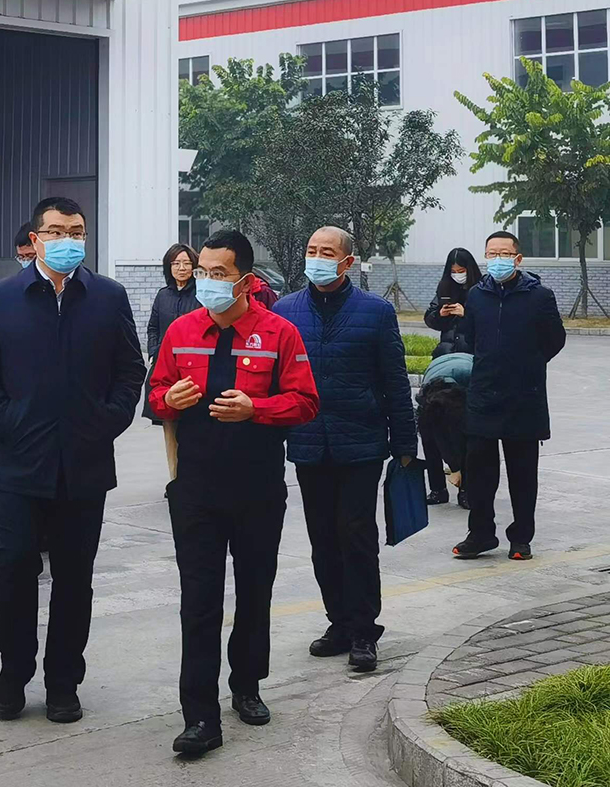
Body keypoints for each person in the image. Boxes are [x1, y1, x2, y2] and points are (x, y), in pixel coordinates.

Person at [0, 197, 145, 725]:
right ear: (36, 239)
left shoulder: (107, 296)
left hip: (85, 464)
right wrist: (9, 420)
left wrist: (106, 421)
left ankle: (64, 681)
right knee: (14, 570)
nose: (68, 240)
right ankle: (12, 674)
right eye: (57, 231)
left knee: (74, 577)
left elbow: (129, 370)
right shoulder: (1, 297)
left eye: (77, 231)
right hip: (19, 465)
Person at [148, 230, 319, 756]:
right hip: (195, 487)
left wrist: (256, 409)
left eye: (218, 274)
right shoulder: (181, 331)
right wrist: (170, 400)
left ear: (245, 281)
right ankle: (199, 716)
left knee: (254, 590)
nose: (207, 281)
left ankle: (246, 683)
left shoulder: (279, 332)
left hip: (257, 487)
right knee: (198, 600)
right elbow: (154, 396)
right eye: (202, 271)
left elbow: (306, 401)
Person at [274, 226, 416, 674]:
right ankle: (337, 621)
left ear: (347, 262)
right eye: (312, 250)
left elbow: (395, 381)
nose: (317, 258)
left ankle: (363, 630)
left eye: (327, 252)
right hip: (308, 442)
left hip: (361, 443)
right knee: (322, 539)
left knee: (356, 536)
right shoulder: (285, 311)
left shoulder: (376, 312)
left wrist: (405, 442)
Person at [452, 231, 566, 562]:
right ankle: (481, 534)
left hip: (524, 397)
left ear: (517, 258)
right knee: (479, 473)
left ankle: (521, 538)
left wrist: (527, 364)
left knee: (523, 473)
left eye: (504, 253)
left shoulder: (539, 295)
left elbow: (555, 340)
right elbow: (470, 336)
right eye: (491, 253)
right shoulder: (477, 295)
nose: (497, 259)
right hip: (484, 395)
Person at [423, 247, 482, 506]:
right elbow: (430, 319)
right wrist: (440, 314)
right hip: (443, 361)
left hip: (471, 363)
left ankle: (467, 487)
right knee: (429, 425)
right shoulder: (444, 288)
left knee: (465, 429)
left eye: (462, 270)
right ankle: (437, 488)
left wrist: (466, 314)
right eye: (453, 271)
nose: (458, 275)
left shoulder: (481, 291)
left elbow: (488, 324)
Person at [141, 242, 200, 481]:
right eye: (176, 263)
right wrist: (155, 350)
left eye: (186, 263)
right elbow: (153, 327)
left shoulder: (200, 295)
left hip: (193, 370)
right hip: (165, 369)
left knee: (194, 428)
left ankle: (194, 478)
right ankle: (175, 480)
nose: (181, 268)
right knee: (170, 427)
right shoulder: (163, 295)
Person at [417, 353, 474, 501]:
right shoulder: (426, 395)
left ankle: (466, 490)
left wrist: (456, 466)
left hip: (463, 376)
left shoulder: (471, 376)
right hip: (436, 378)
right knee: (429, 438)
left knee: (465, 441)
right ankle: (438, 490)